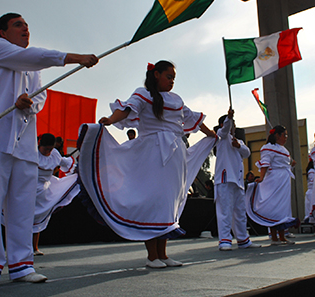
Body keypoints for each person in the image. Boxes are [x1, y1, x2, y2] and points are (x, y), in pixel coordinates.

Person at [0, 13, 98, 288]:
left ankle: (21, 264)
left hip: (24, 146)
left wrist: (30, 104)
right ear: (2, 33)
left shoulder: (33, 68)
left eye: (27, 26)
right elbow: (39, 56)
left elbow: (40, 96)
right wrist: (76, 57)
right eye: (18, 25)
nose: (25, 29)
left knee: (22, 206)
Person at [78, 61, 217, 268]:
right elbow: (126, 110)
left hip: (175, 153)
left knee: (168, 201)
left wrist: (212, 135)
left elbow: (193, 118)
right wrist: (109, 120)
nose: (171, 81)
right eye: (168, 76)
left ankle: (163, 254)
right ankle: (152, 256)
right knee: (153, 200)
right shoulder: (144, 94)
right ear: (156, 75)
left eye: (173, 78)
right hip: (151, 151)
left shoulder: (176, 99)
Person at [245, 125, 299, 246]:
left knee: (282, 208)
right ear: (277, 135)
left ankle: (282, 236)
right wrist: (262, 177)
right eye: (284, 135)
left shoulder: (283, 149)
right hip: (274, 180)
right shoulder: (268, 148)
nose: (285, 137)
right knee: (274, 206)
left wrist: (291, 165)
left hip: (284, 181)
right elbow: (265, 163)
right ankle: (274, 237)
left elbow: (283, 165)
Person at [213, 108, 258, 251]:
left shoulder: (238, 142)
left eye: (234, 124)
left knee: (240, 211)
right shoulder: (220, 137)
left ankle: (243, 239)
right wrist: (229, 118)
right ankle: (225, 240)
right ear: (223, 125)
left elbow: (247, 153)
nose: (233, 127)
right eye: (231, 124)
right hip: (225, 180)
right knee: (225, 211)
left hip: (238, 182)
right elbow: (224, 130)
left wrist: (238, 145)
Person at [32, 133, 77, 255]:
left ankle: (35, 248)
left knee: (38, 218)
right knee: (24, 219)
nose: (48, 151)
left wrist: (77, 169)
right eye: (45, 149)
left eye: (50, 149)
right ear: (39, 145)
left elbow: (64, 162)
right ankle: (21, 248)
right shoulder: (31, 153)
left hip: (45, 188)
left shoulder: (55, 154)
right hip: (28, 187)